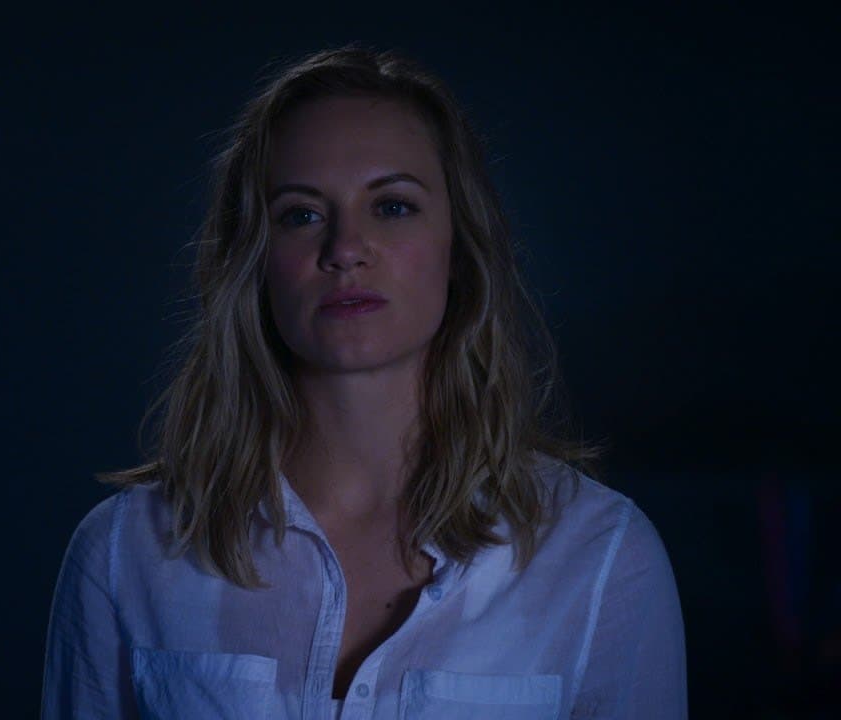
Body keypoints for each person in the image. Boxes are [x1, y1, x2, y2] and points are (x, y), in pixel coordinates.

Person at [41, 44, 686, 719]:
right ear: (255, 260)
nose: (346, 249)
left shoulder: (599, 555)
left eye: (393, 206)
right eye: (301, 214)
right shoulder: (127, 552)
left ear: (459, 245)